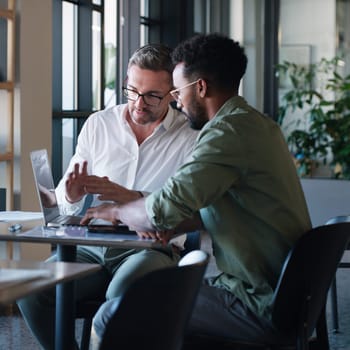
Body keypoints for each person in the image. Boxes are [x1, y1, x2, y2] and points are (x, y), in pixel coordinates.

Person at [82, 33, 312, 347]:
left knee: (115, 314)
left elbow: (162, 207)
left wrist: (116, 210)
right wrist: (175, 222)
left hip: (256, 301)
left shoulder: (225, 134)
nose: (175, 99)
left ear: (200, 87)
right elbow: (218, 207)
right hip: (283, 294)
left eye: (177, 90)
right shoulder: (258, 125)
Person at [17, 43, 199, 350]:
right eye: (132, 91)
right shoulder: (99, 124)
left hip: (151, 247)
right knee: (33, 289)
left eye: (152, 95)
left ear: (172, 93)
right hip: (92, 245)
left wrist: (133, 198)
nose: (139, 103)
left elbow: (190, 208)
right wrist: (71, 195)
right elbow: (64, 198)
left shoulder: (190, 137)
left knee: (124, 294)